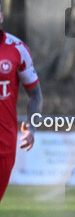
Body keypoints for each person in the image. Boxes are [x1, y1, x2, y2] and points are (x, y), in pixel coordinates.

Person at [0, 15, 42, 202]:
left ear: (0, 17)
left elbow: (35, 94)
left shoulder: (17, 49)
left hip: (4, 144)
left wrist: (31, 126)